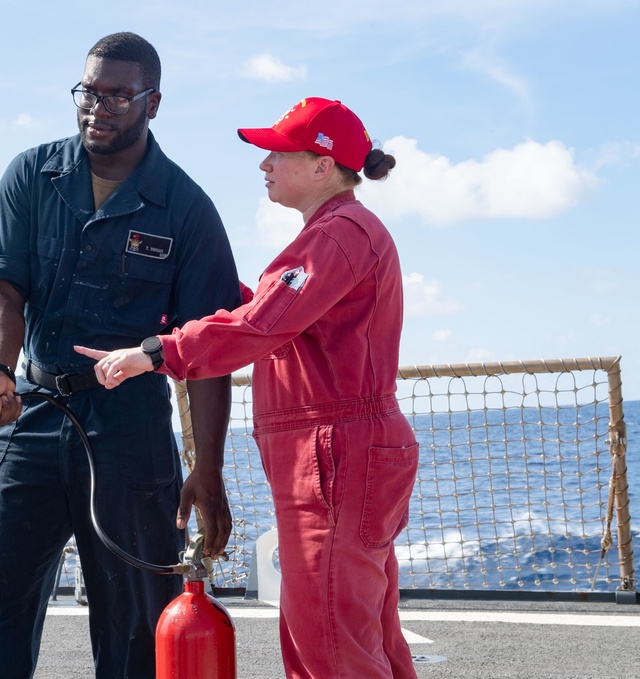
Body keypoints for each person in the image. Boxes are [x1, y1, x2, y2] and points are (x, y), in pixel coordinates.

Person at [76, 97, 420, 678]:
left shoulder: (338, 235)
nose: (263, 164)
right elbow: (272, 313)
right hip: (342, 453)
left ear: (321, 166)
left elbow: (261, 326)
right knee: (362, 637)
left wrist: (155, 353)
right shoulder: (337, 234)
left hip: (335, 454)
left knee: (331, 647)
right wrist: (189, 279)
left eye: (277, 153)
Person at [0, 32, 242, 679]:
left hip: (131, 428)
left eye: (118, 94)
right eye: (89, 90)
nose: (98, 106)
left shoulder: (188, 209)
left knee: (138, 621)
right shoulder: (29, 175)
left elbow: (210, 349)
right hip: (29, 413)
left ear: (153, 103)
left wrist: (209, 470)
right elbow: (2, 286)